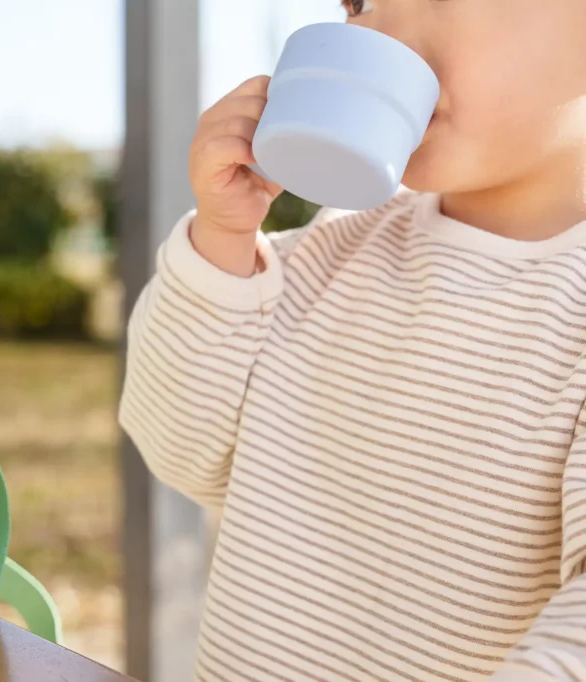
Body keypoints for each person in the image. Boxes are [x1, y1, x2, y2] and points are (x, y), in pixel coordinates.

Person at [118, 1, 586, 680]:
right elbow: (177, 448)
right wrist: (220, 242)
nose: (368, 29)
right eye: (358, 2)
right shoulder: (314, 262)